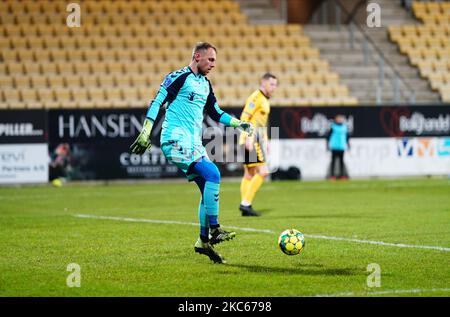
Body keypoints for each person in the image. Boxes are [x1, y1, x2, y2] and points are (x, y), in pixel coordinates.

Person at [130, 42, 253, 264]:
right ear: (197, 56)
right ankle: (215, 229)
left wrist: (239, 124)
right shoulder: (179, 76)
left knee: (207, 185)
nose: (214, 64)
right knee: (213, 174)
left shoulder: (205, 84)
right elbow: (157, 101)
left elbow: (215, 112)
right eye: (211, 60)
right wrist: (147, 130)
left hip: (194, 143)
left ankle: (203, 242)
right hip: (173, 139)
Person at [238, 73, 278, 216]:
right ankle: (245, 204)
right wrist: (249, 137)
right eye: (272, 84)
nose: (274, 87)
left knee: (249, 174)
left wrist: (266, 140)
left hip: (253, 139)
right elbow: (244, 117)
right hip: (250, 139)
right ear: (264, 83)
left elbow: (261, 123)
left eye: (275, 85)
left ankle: (245, 206)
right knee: (264, 171)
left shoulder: (265, 100)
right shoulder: (256, 97)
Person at [326, 114, 350, 180]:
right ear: (336, 119)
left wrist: (348, 145)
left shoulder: (344, 127)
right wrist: (327, 145)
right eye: (338, 119)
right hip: (334, 146)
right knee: (333, 162)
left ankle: (342, 175)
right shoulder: (333, 127)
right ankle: (332, 176)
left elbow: (347, 137)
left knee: (341, 162)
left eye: (341, 119)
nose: (340, 120)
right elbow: (328, 137)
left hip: (341, 146)